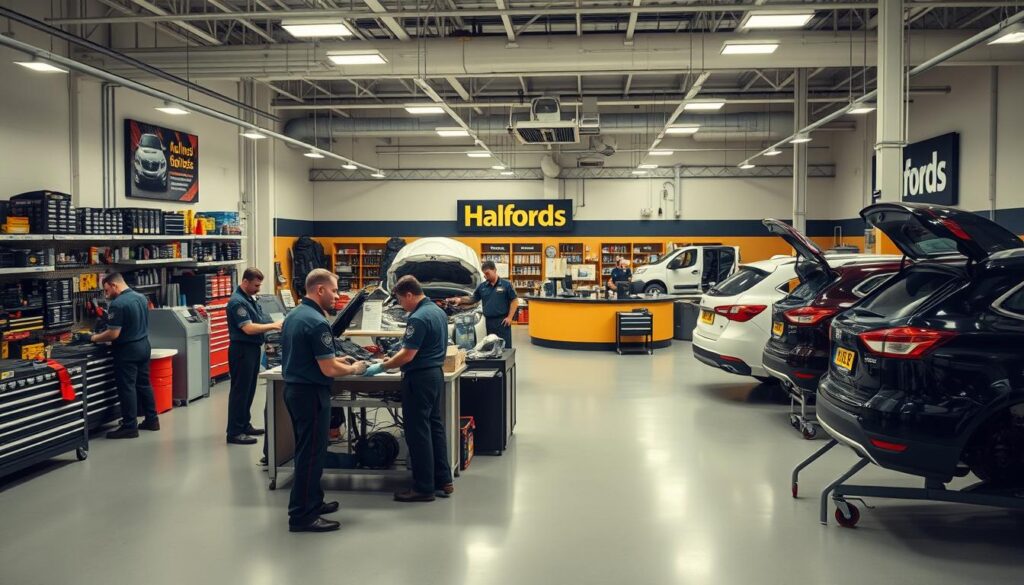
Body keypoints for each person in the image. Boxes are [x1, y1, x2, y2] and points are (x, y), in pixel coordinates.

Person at [280, 269, 368, 533]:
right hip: (310, 394)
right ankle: (303, 516)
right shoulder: (317, 323)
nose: (337, 295)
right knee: (311, 454)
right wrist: (354, 368)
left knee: (307, 451)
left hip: (295, 390)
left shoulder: (296, 315)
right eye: (334, 290)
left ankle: (313, 502)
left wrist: (339, 360)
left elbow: (313, 357)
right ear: (319, 290)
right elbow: (328, 370)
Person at [366, 275, 453, 503]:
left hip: (419, 378)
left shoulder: (419, 318)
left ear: (409, 294)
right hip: (434, 375)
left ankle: (423, 487)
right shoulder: (437, 311)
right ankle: (444, 479)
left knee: (418, 433)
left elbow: (408, 354)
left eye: (400, 300)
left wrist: (381, 366)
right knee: (435, 428)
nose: (401, 306)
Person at [91, 272, 159, 439]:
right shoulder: (141, 297)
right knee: (144, 384)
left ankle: (130, 426)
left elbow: (113, 334)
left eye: (106, 290)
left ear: (114, 285)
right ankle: (152, 419)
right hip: (144, 346)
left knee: (127, 387)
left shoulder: (118, 304)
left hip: (128, 351)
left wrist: (94, 338)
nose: (106, 295)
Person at [225, 267, 283, 446]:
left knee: (249, 389)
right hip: (242, 349)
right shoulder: (237, 302)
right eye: (256, 285)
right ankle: (234, 432)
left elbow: (258, 320)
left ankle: (244, 424)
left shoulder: (249, 298)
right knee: (240, 391)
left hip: (251, 349)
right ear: (245, 282)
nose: (258, 289)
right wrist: (274, 326)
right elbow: (248, 328)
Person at [446, 260, 517, 348]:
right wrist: (460, 300)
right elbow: (473, 299)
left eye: (487, 273)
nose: (485, 276)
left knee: (506, 348)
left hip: (503, 322)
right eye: (484, 274)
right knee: (491, 346)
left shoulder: (506, 285)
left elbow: (514, 301)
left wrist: (510, 317)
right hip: (488, 322)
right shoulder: (482, 286)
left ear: (494, 270)